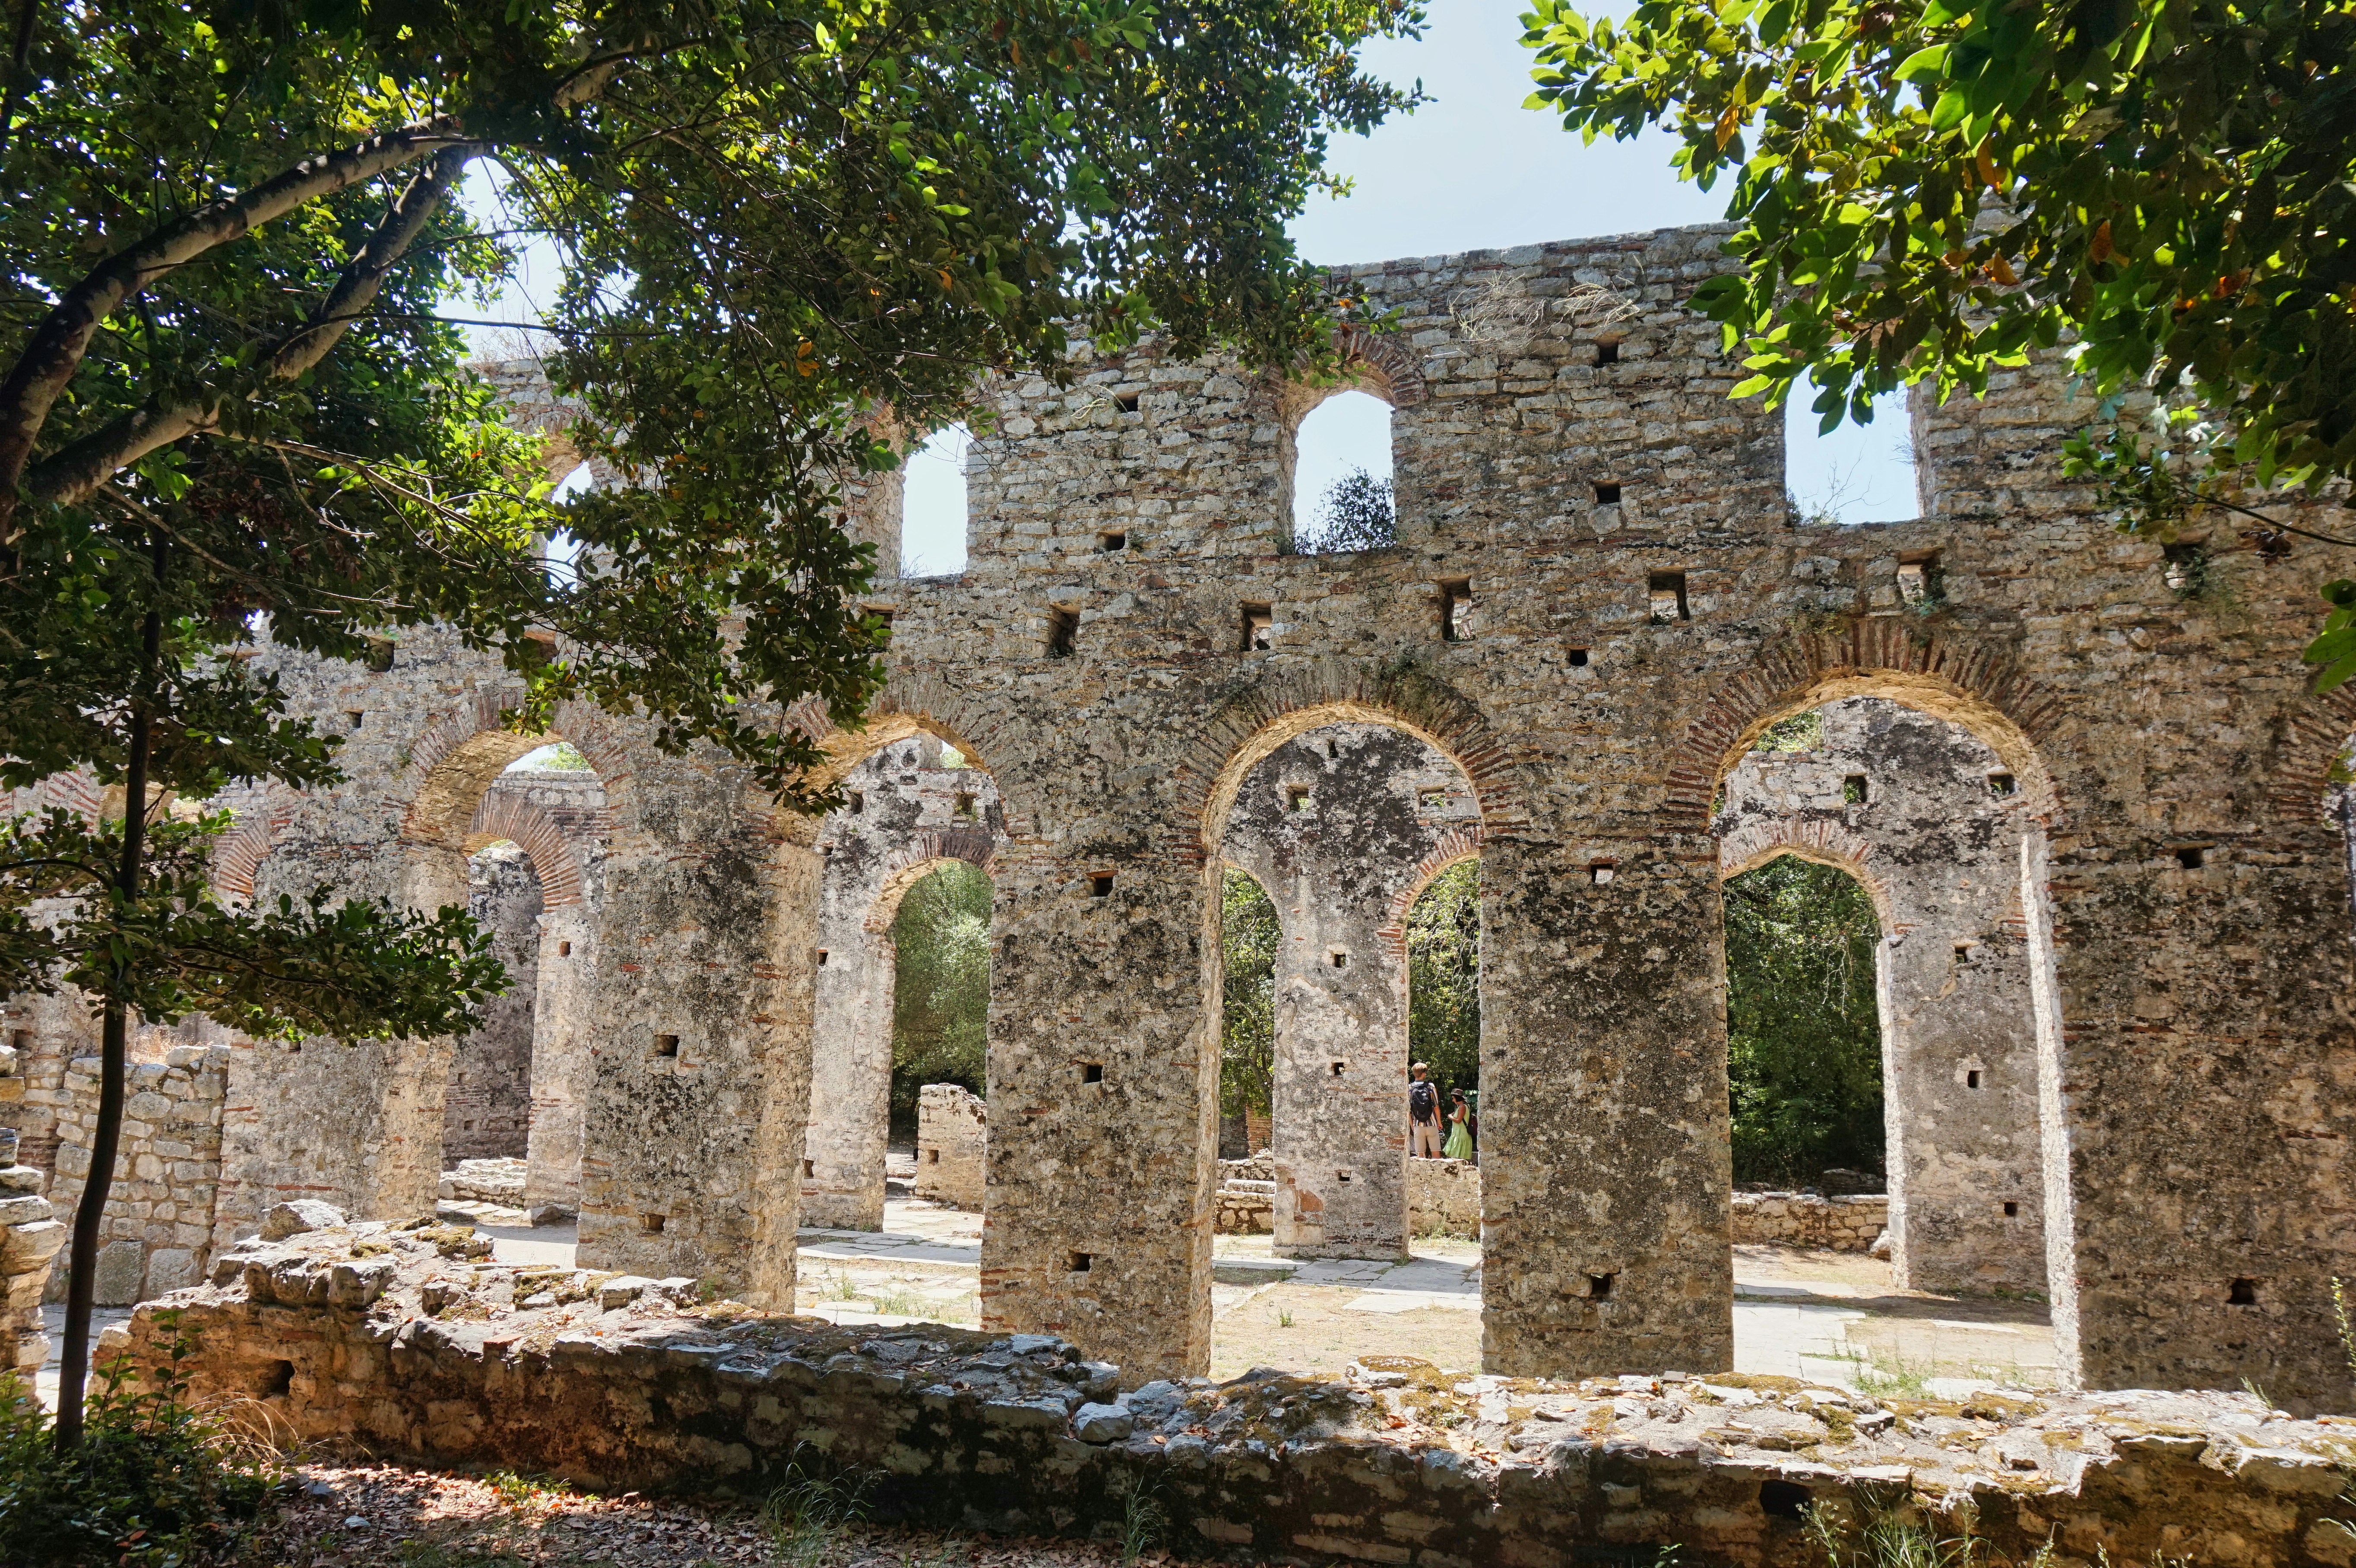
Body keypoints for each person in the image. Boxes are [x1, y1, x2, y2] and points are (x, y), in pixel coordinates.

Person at [1407, 1062, 1442, 1157]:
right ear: (1423, 1074)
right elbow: (1436, 1107)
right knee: (1436, 1155)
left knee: (1420, 1157)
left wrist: (1413, 1126)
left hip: (1418, 1125)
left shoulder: (1410, 1088)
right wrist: (1439, 1123)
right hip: (1432, 1124)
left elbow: (1409, 1112)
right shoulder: (1430, 1087)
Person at [1443, 1088, 1475, 1161]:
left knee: (1457, 1158)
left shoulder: (1462, 1107)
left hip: (1461, 1135)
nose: (1453, 1100)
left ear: (1457, 1098)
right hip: (1458, 1134)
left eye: (1453, 1098)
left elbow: (1458, 1121)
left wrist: (1450, 1117)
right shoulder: (1462, 1106)